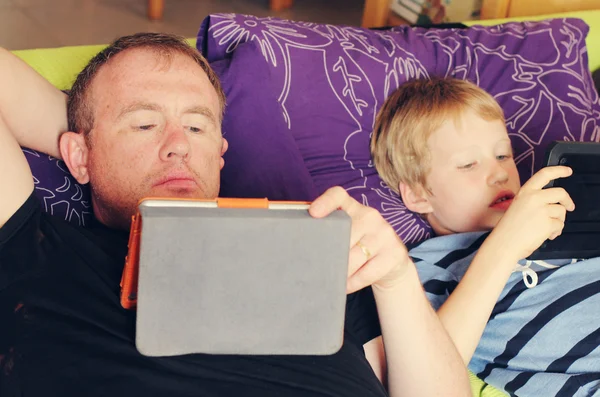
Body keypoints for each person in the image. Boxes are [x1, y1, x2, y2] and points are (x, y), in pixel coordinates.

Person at [0, 33, 470, 396]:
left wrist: (394, 276)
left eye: (197, 125)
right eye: (144, 124)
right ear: (78, 156)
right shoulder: (38, 251)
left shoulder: (315, 256)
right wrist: (88, 142)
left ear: (221, 154)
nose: (179, 145)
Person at [371, 77, 600, 396]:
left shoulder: (565, 219)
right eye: (468, 164)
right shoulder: (420, 268)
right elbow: (426, 373)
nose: (500, 173)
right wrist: (505, 246)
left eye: (504, 155)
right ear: (420, 196)